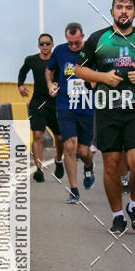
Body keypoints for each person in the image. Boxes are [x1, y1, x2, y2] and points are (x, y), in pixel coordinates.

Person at [75, 0, 135, 233]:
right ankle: (117, 214)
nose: (124, 11)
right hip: (107, 109)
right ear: (112, 11)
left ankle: (134, 205)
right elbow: (79, 70)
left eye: (128, 7)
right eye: (119, 7)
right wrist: (102, 76)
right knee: (112, 164)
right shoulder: (98, 39)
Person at [45, 23, 95, 204]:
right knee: (69, 146)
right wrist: (50, 84)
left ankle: (89, 166)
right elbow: (49, 70)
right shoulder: (59, 51)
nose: (73, 46)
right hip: (65, 104)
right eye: (70, 42)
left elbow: (101, 74)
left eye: (77, 42)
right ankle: (74, 189)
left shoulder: (92, 50)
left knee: (83, 151)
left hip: (86, 105)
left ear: (83, 35)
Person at [18, 33, 64, 181]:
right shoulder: (32, 60)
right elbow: (22, 71)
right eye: (42, 44)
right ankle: (38, 170)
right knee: (37, 135)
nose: (45, 46)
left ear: (52, 45)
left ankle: (58, 160)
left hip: (55, 102)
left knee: (60, 137)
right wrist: (20, 86)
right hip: (38, 102)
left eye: (47, 43)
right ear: (38, 46)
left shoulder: (58, 60)